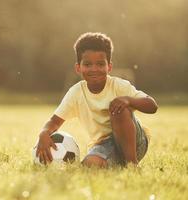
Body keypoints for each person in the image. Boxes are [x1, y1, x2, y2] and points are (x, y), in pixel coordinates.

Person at [36, 32, 158, 167]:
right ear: (78, 67)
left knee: (117, 107)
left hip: (135, 143)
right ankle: (116, 163)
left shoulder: (118, 86)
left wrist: (128, 100)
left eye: (100, 64)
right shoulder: (76, 93)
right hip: (104, 145)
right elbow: (54, 121)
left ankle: (132, 165)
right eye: (87, 64)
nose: (94, 69)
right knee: (90, 165)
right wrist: (44, 133)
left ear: (109, 67)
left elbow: (152, 105)